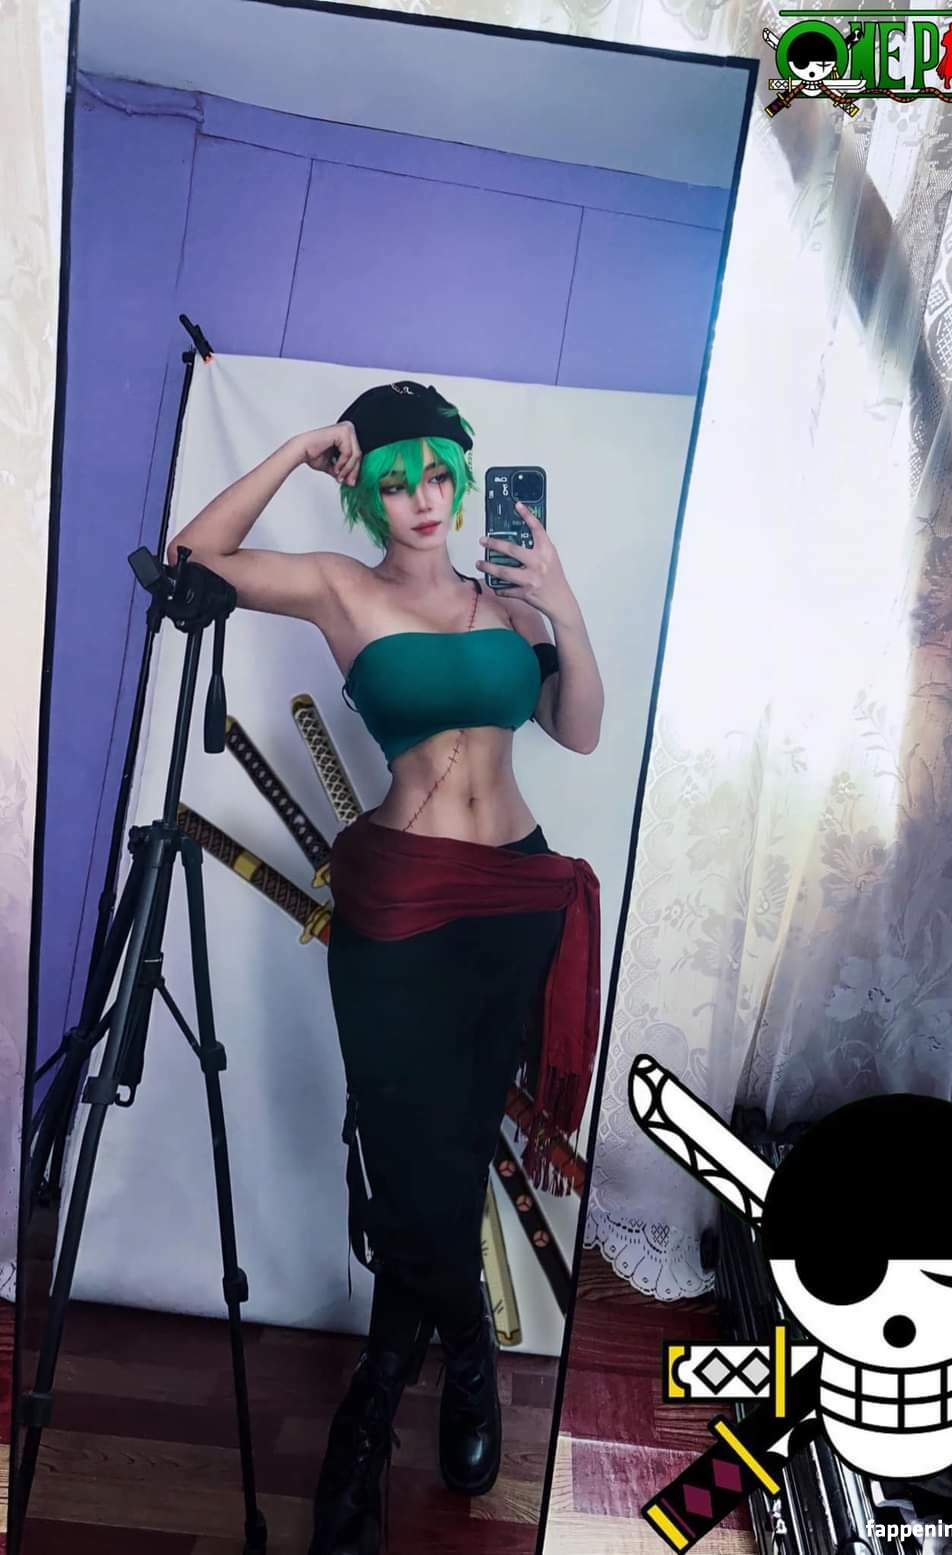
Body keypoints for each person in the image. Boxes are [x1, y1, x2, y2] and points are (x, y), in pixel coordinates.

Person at [167, 379, 604, 1555]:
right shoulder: (340, 588)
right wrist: (299, 448)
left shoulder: (509, 604)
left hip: (514, 903)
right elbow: (193, 559)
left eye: (439, 475)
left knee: (447, 1161)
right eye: (398, 478)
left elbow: (578, 730)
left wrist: (561, 603)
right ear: (368, 492)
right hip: (402, 904)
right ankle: (437, 1370)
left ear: (464, 482)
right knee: (415, 1166)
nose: (423, 497)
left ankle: (392, 1393)